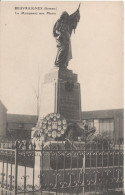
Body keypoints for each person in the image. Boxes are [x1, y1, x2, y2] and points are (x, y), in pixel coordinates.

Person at [53, 4, 80, 69]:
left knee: (67, 52)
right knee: (62, 49)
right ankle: (58, 63)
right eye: (65, 16)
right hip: (61, 37)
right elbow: (56, 30)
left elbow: (72, 17)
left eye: (67, 16)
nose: (66, 17)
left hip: (67, 38)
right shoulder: (59, 21)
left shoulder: (67, 22)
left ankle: (64, 64)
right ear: (63, 16)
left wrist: (77, 12)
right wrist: (59, 34)